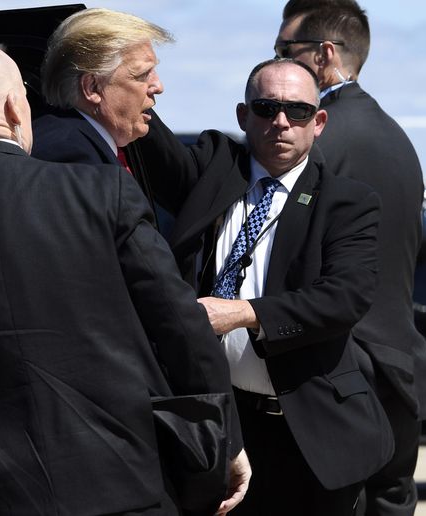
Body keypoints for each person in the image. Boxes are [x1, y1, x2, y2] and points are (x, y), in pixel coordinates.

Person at [0, 42, 250, 516]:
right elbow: (179, 322)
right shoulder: (104, 192)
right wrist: (227, 441)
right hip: (122, 482)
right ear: (16, 107)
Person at [138, 58, 393, 516]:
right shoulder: (215, 168)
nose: (280, 122)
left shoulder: (346, 202)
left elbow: (345, 297)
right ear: (243, 115)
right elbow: (155, 147)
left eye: (296, 111)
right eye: (265, 107)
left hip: (311, 430)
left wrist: (243, 312)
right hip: (226, 424)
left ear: (318, 123)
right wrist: (120, 75)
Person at [276, 3, 426, 515]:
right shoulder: (394, 135)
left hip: (338, 375)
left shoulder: (320, 138)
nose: (275, 64)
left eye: (284, 51)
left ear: (324, 55)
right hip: (399, 367)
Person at [32, 8, 173, 231]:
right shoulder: (70, 157)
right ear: (93, 87)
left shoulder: (80, 141)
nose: (158, 87)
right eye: (142, 75)